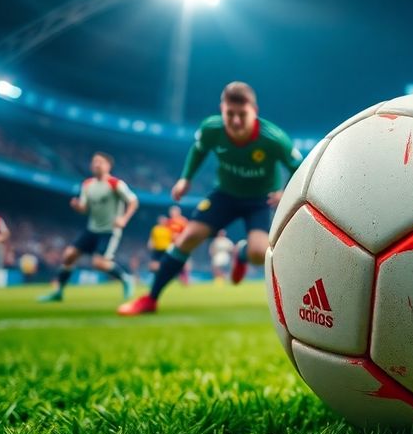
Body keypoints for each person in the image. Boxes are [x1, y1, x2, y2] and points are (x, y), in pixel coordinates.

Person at [118, 81, 302, 315]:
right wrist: (186, 178)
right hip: (224, 194)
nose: (235, 121)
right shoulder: (212, 129)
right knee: (188, 237)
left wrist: (285, 191)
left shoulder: (273, 138)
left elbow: (297, 165)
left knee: (259, 253)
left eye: (242, 114)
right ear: (222, 110)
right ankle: (150, 299)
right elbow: (199, 149)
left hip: (258, 200)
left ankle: (242, 253)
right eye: (229, 114)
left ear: (254, 111)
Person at [38, 152, 139, 303]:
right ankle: (58, 292)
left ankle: (126, 279)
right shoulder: (87, 184)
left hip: (109, 230)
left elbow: (133, 201)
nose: (96, 164)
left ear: (108, 166)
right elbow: (85, 209)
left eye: (100, 162)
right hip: (92, 229)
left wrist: (124, 219)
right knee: (68, 256)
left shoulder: (115, 184)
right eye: (94, 162)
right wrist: (77, 206)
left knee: (99, 263)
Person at [166, 206, 192, 285]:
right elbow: (166, 233)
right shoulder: (169, 222)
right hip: (171, 245)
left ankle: (186, 278)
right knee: (171, 261)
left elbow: (188, 231)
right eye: (171, 212)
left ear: (178, 212)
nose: (172, 213)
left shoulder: (183, 221)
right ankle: (173, 278)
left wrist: (179, 236)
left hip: (182, 244)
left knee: (185, 262)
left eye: (174, 211)